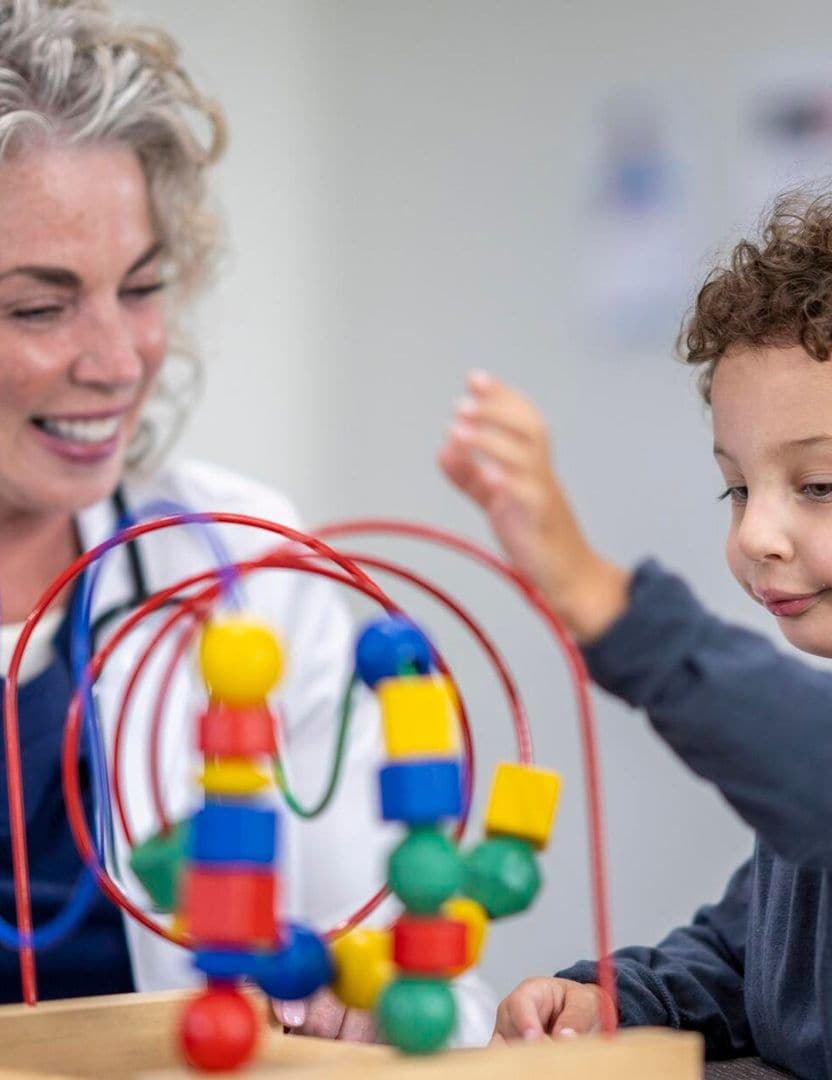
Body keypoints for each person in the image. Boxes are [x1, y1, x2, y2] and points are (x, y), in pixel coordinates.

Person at [439, 170, 832, 1076]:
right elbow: (751, 959)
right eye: (738, 487)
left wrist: (601, 597)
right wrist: (620, 1000)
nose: (755, 534)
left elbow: (830, 763)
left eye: (818, 486)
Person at [0, 0, 494, 1045]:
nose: (119, 358)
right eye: (38, 307)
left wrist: (375, 1005)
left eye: (140, 288)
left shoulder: (239, 559)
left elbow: (404, 957)